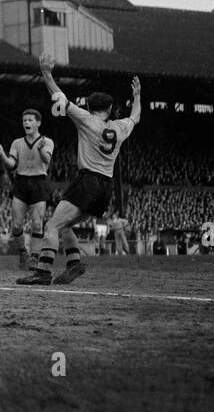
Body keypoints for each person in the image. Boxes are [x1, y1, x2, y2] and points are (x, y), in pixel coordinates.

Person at [19, 52, 140, 286]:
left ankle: (42, 272)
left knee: (52, 225)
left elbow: (58, 97)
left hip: (88, 181)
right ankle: (74, 264)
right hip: (106, 188)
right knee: (65, 226)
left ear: (89, 105)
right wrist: (137, 96)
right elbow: (135, 117)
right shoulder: (120, 127)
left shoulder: (85, 118)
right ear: (111, 108)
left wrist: (46, 73)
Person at [0, 108, 54, 270]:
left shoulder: (47, 142)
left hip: (39, 182)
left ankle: (34, 257)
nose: (26, 123)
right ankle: (23, 252)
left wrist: (40, 148)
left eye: (30, 120)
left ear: (38, 123)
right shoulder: (17, 143)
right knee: (16, 226)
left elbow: (47, 160)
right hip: (21, 182)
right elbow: (11, 164)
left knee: (37, 224)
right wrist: (2, 154)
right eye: (24, 120)